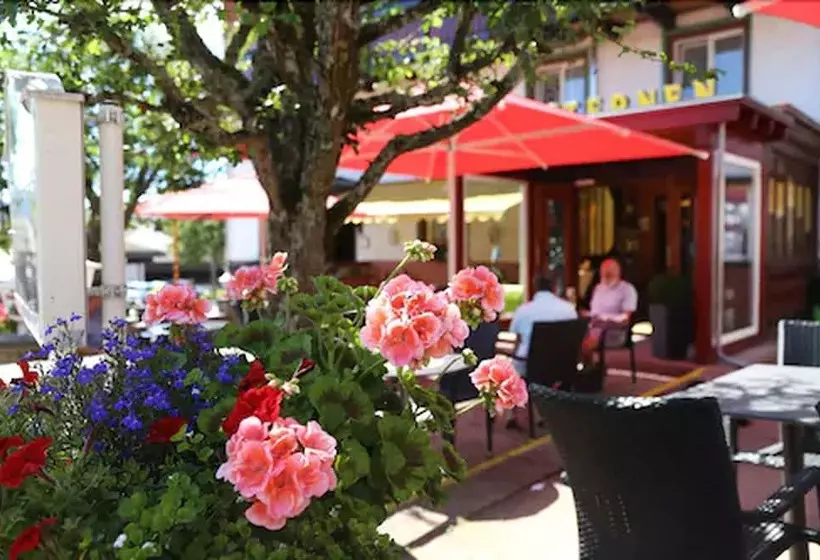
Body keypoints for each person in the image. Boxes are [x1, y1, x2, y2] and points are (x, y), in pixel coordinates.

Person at [510, 273, 578, 377]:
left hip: (529, 367)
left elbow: (517, 341)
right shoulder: (570, 310)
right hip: (562, 367)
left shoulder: (523, 311)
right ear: (555, 287)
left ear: (534, 287)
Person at [583, 258, 638, 354]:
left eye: (610, 271)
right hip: (593, 329)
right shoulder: (598, 288)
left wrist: (605, 319)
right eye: (603, 271)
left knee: (583, 343)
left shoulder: (627, 289)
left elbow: (626, 318)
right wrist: (587, 315)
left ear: (618, 272)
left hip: (614, 332)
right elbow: (595, 312)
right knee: (568, 337)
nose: (606, 274)